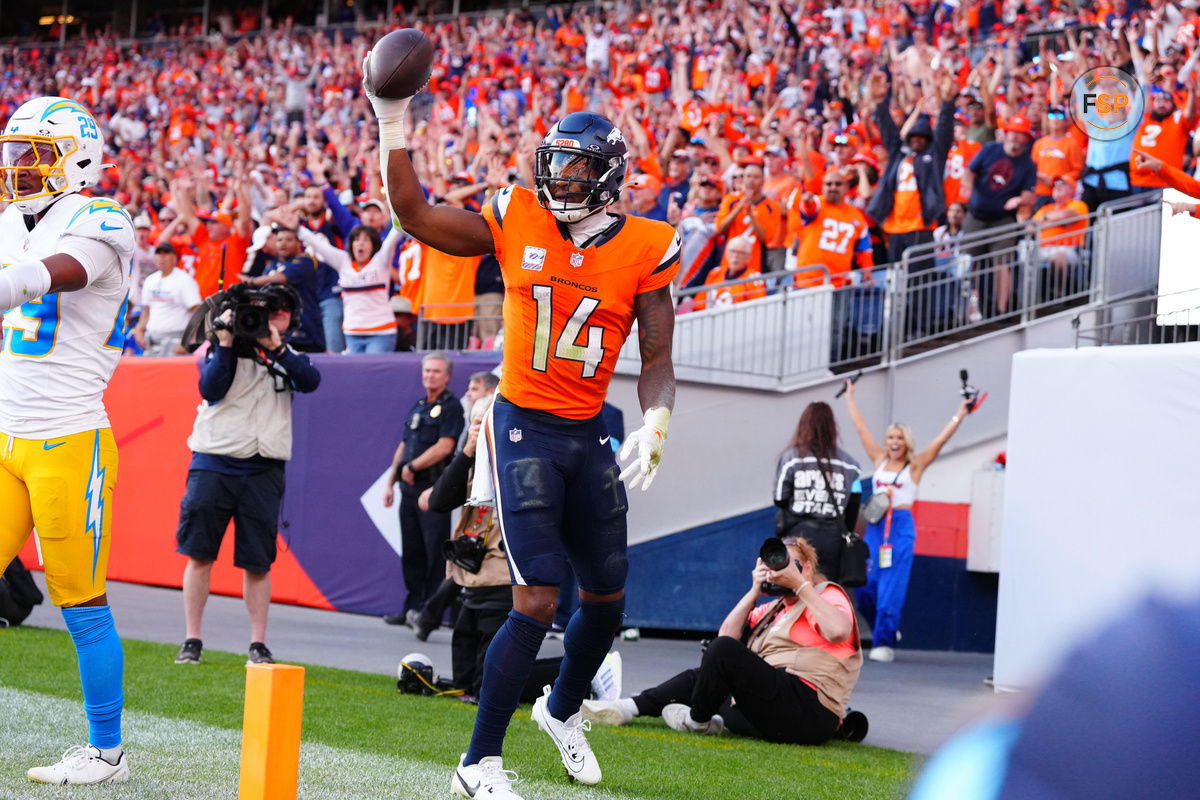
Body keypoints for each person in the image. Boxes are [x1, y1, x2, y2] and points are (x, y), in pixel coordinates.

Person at [367, 69, 678, 798]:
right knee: (537, 597)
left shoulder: (646, 246)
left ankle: (561, 711)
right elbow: (411, 212)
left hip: (590, 426)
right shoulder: (517, 217)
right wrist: (391, 120)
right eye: (555, 162)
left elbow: (658, 356)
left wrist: (658, 417)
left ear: (608, 177)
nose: (560, 178)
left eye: (577, 166)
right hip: (522, 424)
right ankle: (478, 764)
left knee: (608, 597)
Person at [0, 95, 134, 784]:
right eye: (14, 151)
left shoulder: (99, 218)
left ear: (76, 160)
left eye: (34, 154)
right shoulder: (10, 222)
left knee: (80, 600)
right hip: (6, 438)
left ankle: (106, 750)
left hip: (68, 440)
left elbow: (48, 277)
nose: (18, 166)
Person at [581, 536, 864, 745]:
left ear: (808, 567)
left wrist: (801, 584)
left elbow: (838, 630)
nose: (779, 570)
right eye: (773, 564)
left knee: (724, 655)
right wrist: (754, 591)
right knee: (703, 675)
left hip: (811, 711)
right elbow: (724, 639)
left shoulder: (825, 594)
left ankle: (697, 721)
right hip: (774, 712)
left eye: (787, 563)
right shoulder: (774, 608)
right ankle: (625, 708)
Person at [173, 284, 321, 666]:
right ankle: (192, 639)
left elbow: (310, 381)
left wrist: (276, 349)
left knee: (258, 561)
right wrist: (224, 341)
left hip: (263, 466)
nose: (272, 318)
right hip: (214, 460)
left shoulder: (290, 355)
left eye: (280, 311)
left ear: (290, 319)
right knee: (199, 554)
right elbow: (211, 389)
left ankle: (257, 643)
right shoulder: (217, 345)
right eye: (267, 312)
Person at [842, 378, 972, 663]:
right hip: (876, 527)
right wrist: (850, 396)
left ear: (906, 442)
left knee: (892, 588)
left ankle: (884, 641)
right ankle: (884, 626)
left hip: (900, 528)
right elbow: (861, 427)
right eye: (891, 437)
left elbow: (941, 439)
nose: (894, 442)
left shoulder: (917, 465)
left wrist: (960, 414)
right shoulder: (878, 459)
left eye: (899, 438)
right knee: (865, 586)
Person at [382, 353, 464, 626]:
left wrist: (413, 467)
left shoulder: (451, 406)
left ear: (447, 376)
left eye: (436, 371)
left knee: (433, 550)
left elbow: (445, 446)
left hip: (433, 488)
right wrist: (391, 480)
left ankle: (431, 612)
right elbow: (404, 445)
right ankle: (411, 608)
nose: (430, 375)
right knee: (413, 550)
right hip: (408, 489)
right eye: (427, 370)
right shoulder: (418, 406)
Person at [774, 402, 862, 580]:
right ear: (832, 427)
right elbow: (853, 507)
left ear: (804, 425)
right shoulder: (851, 466)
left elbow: (779, 498)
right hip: (833, 539)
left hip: (798, 537)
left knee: (795, 590)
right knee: (826, 592)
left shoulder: (791, 459)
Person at [294, 218, 403, 354]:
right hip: (352, 333)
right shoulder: (343, 261)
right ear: (351, 244)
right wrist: (297, 228)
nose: (360, 244)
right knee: (356, 375)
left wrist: (403, 213)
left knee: (374, 375)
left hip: (382, 332)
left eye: (366, 240)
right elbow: (318, 245)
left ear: (374, 245)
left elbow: (393, 236)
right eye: (356, 240)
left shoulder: (380, 261)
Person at [243, 222, 325, 353]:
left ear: (298, 243)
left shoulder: (305, 262)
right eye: (280, 240)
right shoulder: (273, 266)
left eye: (289, 240)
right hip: (279, 332)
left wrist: (251, 281)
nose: (283, 243)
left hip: (306, 331)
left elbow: (280, 278)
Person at [132, 243, 202, 356]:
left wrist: (189, 342)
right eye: (159, 254)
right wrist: (139, 330)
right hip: (152, 340)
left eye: (166, 254)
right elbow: (147, 312)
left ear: (174, 257)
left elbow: (198, 313)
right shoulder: (150, 280)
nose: (162, 257)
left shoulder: (184, 280)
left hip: (176, 340)